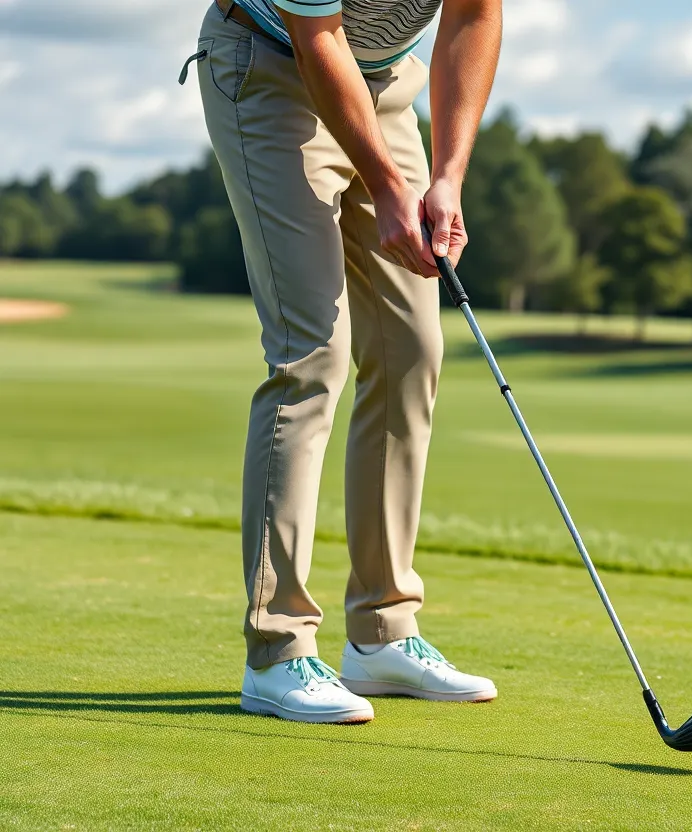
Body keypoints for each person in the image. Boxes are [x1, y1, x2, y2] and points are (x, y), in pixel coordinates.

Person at [183, 0, 503, 723]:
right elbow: (315, 35)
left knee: (412, 349)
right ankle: (278, 649)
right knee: (312, 353)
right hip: (268, 70)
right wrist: (390, 188)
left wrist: (446, 176)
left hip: (386, 85)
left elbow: (475, 17)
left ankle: (383, 632)